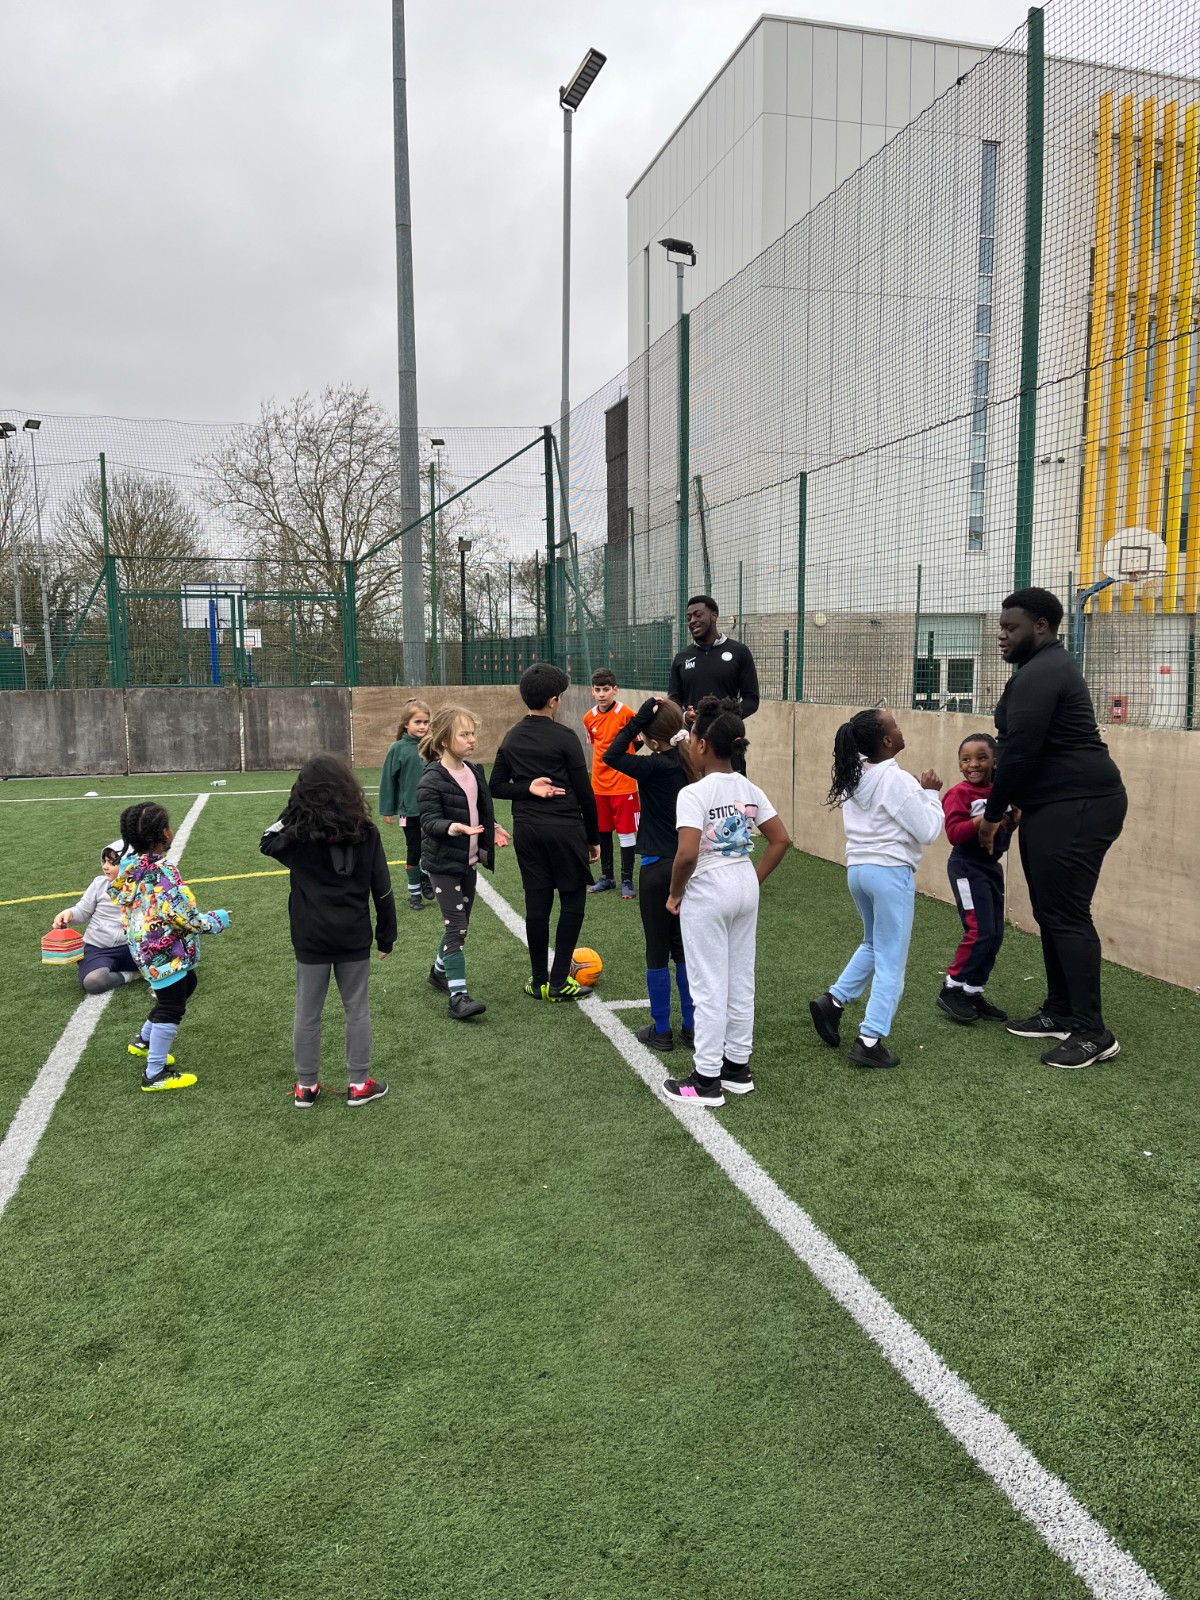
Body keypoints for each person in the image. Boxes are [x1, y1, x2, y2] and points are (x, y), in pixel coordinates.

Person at [979, 587, 1127, 1069]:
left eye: (1011, 627)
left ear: (1040, 626)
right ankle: (1061, 1011)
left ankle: (1092, 1032)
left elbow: (1020, 753)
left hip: (1079, 804)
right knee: (1051, 911)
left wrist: (993, 814)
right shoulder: (1040, 668)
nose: (1002, 635)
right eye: (1001, 627)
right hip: (1055, 804)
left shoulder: (1042, 672)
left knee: (1066, 913)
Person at [661, 696, 790, 1106]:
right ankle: (737, 1068)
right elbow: (780, 839)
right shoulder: (749, 788)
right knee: (739, 979)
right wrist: (752, 878)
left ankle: (706, 1080)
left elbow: (686, 854)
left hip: (708, 890)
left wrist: (675, 893)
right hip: (743, 886)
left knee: (708, 985)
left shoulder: (693, 793)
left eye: (692, 738)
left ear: (701, 745)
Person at [809, 709, 943, 1069]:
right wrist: (931, 794)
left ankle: (833, 1001)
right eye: (894, 725)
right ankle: (869, 1040)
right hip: (889, 873)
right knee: (891, 961)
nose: (899, 729)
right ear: (886, 740)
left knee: (873, 943)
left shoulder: (856, 776)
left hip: (858, 870)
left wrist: (917, 792)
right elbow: (929, 830)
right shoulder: (896, 779)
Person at [261, 755, 396, 1108]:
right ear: (348, 788)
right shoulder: (366, 832)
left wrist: (294, 809)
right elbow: (382, 887)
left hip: (310, 936)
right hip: (353, 934)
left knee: (307, 1012)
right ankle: (358, 1084)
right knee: (357, 1009)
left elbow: (266, 838)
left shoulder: (296, 837)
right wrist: (387, 934)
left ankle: (306, 1086)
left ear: (302, 793)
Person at [489, 663, 600, 1002]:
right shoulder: (565, 737)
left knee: (537, 904)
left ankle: (539, 981)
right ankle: (559, 981)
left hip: (528, 831)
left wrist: (526, 788)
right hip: (565, 829)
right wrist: (593, 838)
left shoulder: (512, 736)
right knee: (572, 902)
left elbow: (495, 786)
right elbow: (585, 793)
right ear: (553, 700)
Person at [112, 802, 231, 1093]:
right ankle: (155, 1073)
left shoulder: (131, 866)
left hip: (143, 947)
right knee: (171, 1006)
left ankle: (144, 1040)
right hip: (164, 951)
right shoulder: (164, 873)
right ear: (163, 833)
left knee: (188, 984)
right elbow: (184, 917)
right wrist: (217, 920)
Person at [601, 695, 696, 1053]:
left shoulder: (654, 766)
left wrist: (637, 721)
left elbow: (611, 755)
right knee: (683, 948)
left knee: (657, 950)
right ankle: (692, 1026)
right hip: (689, 867)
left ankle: (662, 1030)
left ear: (653, 740)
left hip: (657, 868)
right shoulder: (692, 762)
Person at [417, 705, 511, 1021]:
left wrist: (493, 827)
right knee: (456, 926)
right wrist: (453, 827)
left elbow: (479, 808)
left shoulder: (473, 770)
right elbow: (429, 821)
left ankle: (438, 971)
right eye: (464, 734)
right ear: (444, 740)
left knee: (460, 925)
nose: (472, 740)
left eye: (473, 733)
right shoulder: (431, 778)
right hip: (442, 864)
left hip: (467, 861)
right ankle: (457, 997)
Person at [936, 733, 1015, 1026]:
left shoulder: (1001, 793)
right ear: (959, 765)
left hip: (990, 868)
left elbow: (1008, 825)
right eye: (966, 759)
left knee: (995, 933)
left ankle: (972, 991)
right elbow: (954, 833)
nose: (974, 764)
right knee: (978, 930)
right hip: (966, 868)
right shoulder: (959, 794)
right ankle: (951, 988)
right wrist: (986, 817)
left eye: (982, 758)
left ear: (994, 762)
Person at [668, 595, 760, 771]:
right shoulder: (681, 658)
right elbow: (673, 700)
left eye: (698, 615)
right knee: (694, 787)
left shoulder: (739, 652)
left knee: (731, 788)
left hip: (728, 743)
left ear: (714, 616)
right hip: (693, 745)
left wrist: (725, 717)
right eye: (689, 618)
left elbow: (752, 700)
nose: (692, 621)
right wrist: (685, 716)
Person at [53, 839, 140, 993]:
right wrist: (70, 914)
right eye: (104, 861)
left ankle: (143, 969)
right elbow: (82, 911)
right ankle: (132, 974)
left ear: (129, 864)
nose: (105, 866)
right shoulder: (99, 884)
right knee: (93, 982)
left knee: (174, 962)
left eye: (112, 863)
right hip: (98, 949)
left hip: (134, 948)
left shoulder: (143, 887)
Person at [583, 667, 639, 899]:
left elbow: (638, 741)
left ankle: (627, 879)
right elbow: (595, 746)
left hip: (624, 785)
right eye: (597, 690)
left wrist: (625, 764)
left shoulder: (626, 714)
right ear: (592, 691)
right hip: (599, 785)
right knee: (603, 831)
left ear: (615, 690)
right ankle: (607, 877)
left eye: (606, 689)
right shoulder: (588, 718)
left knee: (626, 833)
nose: (602, 694)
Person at [379, 698, 433, 911]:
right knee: (414, 849)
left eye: (426, 722)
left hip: (432, 810)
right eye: (418, 722)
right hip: (409, 811)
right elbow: (388, 780)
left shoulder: (433, 745)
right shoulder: (397, 748)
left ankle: (426, 876)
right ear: (406, 724)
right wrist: (387, 809)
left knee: (433, 847)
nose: (422, 726)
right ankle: (415, 893)